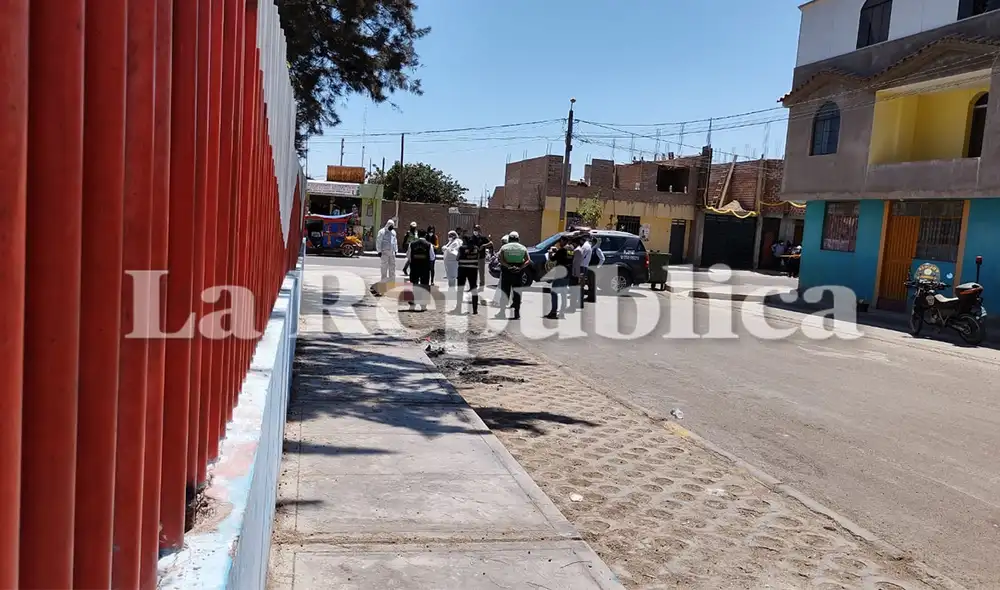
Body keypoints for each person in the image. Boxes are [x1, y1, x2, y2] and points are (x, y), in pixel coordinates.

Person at [496, 231, 531, 320]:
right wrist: (520, 267)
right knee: (517, 293)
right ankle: (517, 313)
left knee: (505, 293)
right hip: (518, 272)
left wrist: (508, 266)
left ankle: (502, 312)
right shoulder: (523, 248)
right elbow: (528, 260)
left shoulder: (504, 247)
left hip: (507, 272)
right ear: (518, 239)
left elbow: (500, 259)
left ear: (509, 239)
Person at [544, 235, 574, 319]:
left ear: (564, 241)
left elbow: (552, 259)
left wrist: (550, 252)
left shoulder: (562, 250)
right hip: (568, 273)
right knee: (563, 294)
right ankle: (562, 312)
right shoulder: (571, 249)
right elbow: (566, 257)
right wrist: (557, 251)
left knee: (554, 292)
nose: (559, 243)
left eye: (560, 241)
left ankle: (553, 312)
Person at [453, 231, 482, 315]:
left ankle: (458, 308)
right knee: (474, 288)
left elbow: (457, 258)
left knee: (460, 289)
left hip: (462, 270)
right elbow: (478, 258)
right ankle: (475, 310)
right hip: (473, 270)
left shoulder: (461, 248)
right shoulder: (476, 248)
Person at [406, 229, 435, 310]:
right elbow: (432, 257)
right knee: (424, 284)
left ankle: (412, 302)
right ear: (425, 235)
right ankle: (423, 305)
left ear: (417, 235)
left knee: (413, 284)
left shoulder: (412, 244)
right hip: (425, 267)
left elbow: (408, 256)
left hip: (414, 267)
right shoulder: (429, 245)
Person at [580, 234, 605, 303]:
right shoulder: (590, 248)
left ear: (594, 242)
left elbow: (602, 259)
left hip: (594, 268)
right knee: (589, 283)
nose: (591, 242)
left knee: (592, 284)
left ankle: (592, 298)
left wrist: (598, 266)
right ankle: (590, 297)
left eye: (592, 241)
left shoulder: (597, 250)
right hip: (589, 268)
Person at [569, 236, 586, 311]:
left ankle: (572, 306)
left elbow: (576, 264)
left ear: (575, 243)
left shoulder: (577, 251)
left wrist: (576, 274)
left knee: (573, 291)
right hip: (576, 273)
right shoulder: (578, 250)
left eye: (572, 243)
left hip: (575, 274)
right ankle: (573, 305)